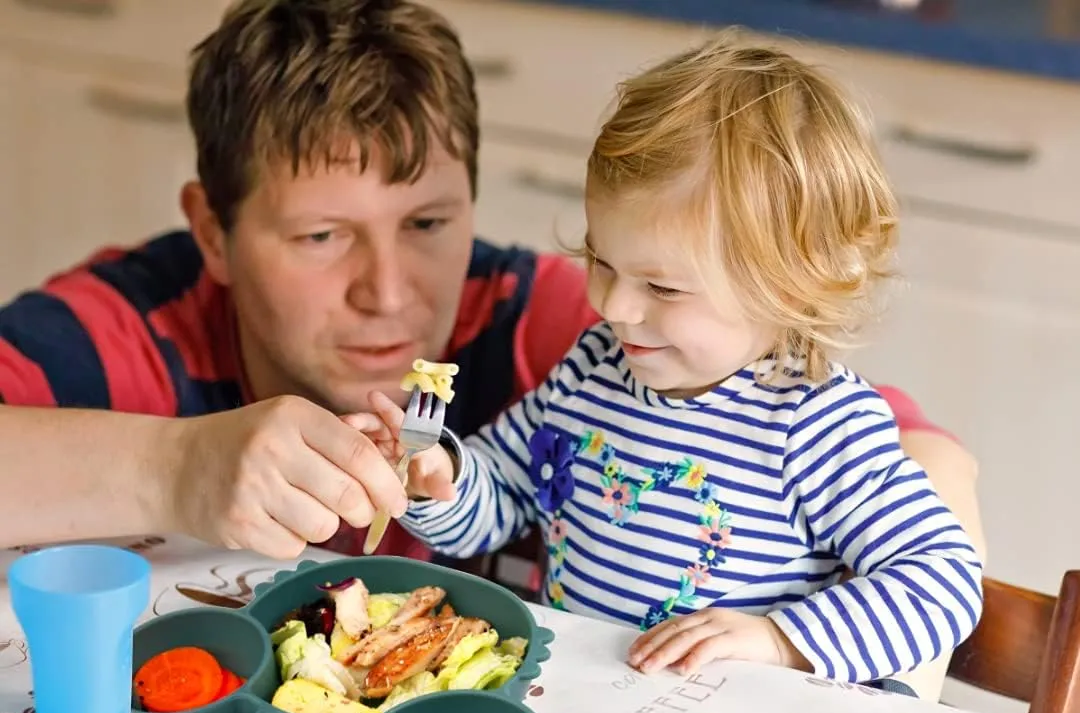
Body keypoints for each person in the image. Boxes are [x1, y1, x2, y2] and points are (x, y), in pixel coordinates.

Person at [0, 0, 983, 585]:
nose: (389, 292)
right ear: (214, 230)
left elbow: (926, 458)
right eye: (322, 236)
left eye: (429, 225)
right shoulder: (132, 329)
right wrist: (169, 468)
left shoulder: (557, 325)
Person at [349, 34, 984, 688]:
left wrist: (777, 637)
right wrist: (437, 472)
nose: (614, 305)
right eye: (601, 261)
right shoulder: (592, 370)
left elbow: (942, 580)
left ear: (787, 287)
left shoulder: (813, 424)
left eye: (662, 286)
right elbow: (500, 497)